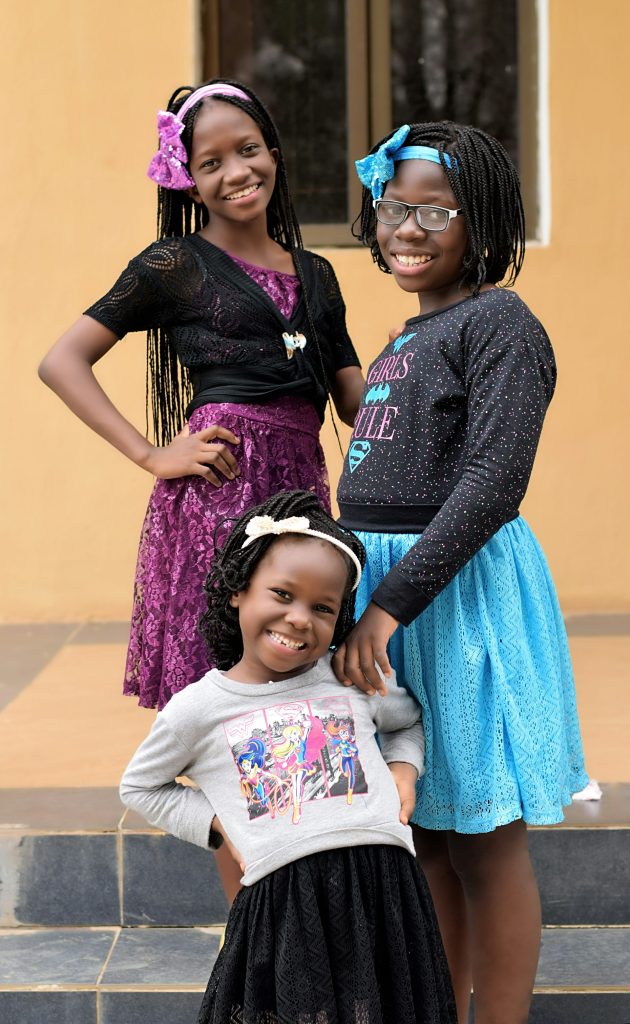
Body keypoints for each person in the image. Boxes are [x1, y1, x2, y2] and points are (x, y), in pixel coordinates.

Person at [333, 122, 589, 1024]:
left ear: (479, 224)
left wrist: (387, 608)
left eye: (431, 211)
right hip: (389, 604)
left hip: (457, 598)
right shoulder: (407, 334)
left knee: (483, 842)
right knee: (425, 840)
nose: (406, 226)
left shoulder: (502, 324)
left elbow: (491, 484)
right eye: (393, 205)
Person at [38, 79, 363, 714]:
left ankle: (281, 812)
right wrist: (150, 453)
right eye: (210, 163)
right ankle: (213, 814)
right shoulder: (173, 265)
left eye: (247, 150)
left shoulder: (317, 272)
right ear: (186, 177)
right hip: (221, 484)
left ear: (272, 151)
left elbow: (354, 400)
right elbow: (62, 362)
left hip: (300, 484)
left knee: (293, 659)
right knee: (220, 666)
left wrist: (410, 362)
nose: (236, 173)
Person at [119, 490, 457, 1024]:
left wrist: (402, 768)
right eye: (282, 594)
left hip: (385, 887)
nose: (300, 618)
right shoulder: (198, 709)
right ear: (238, 591)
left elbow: (407, 722)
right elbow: (140, 787)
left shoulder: (349, 674)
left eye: (323, 608)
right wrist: (216, 826)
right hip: (285, 899)